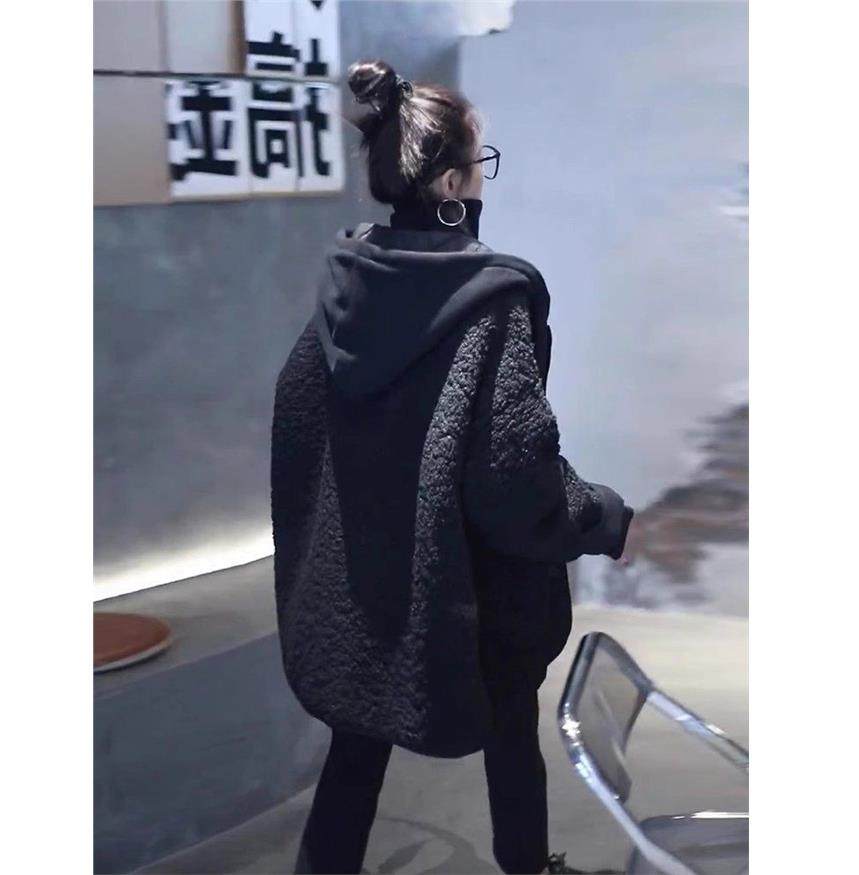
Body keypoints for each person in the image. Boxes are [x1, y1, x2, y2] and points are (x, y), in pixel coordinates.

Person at [270, 58, 634, 875]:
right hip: (470, 592)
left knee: (354, 749)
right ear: (447, 184)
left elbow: (299, 427)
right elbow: (513, 476)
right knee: (511, 733)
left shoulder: (347, 284)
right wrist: (602, 516)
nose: (481, 177)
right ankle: (526, 865)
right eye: (479, 161)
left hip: (364, 583)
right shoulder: (492, 300)